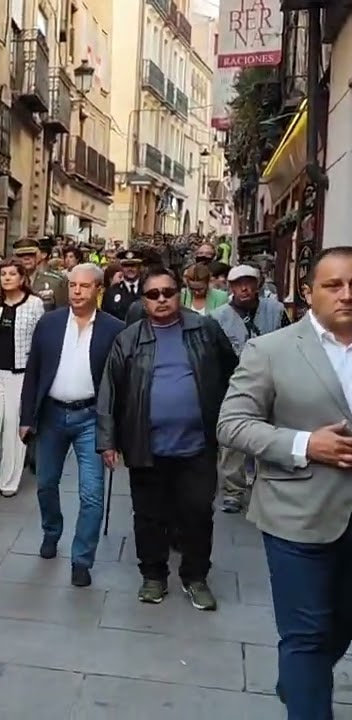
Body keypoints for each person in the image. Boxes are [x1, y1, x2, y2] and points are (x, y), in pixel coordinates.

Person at [216, 247, 352, 720]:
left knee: (339, 629)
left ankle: (296, 677)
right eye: (334, 286)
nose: (347, 295)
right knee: (308, 635)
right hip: (297, 515)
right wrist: (303, 445)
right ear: (308, 293)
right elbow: (231, 424)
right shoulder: (271, 350)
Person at [96, 266, 237, 609]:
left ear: (179, 294)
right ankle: (154, 576)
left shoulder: (205, 329)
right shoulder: (129, 339)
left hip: (197, 445)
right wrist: (107, 441)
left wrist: (233, 420)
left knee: (198, 513)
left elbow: (234, 373)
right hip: (146, 445)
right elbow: (110, 391)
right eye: (153, 294)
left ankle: (196, 577)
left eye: (168, 292)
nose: (161, 300)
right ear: (143, 301)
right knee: (148, 514)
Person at [19, 264, 125, 587]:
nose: (77, 292)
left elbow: (121, 384)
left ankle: (82, 559)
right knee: (46, 484)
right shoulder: (49, 324)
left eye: (85, 286)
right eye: (73, 285)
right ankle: (52, 530)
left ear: (98, 290)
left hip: (91, 418)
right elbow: (33, 371)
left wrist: (113, 436)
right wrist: (26, 418)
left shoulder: (114, 329)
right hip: (51, 416)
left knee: (91, 494)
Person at [210, 264, 290, 514]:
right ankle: (233, 491)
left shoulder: (275, 311)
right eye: (238, 284)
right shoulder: (217, 317)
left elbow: (289, 340)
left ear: (258, 285)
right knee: (232, 441)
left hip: (273, 381)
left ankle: (268, 488)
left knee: (270, 436)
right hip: (234, 383)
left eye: (249, 282)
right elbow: (212, 356)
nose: (244, 288)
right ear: (230, 287)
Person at [0, 259, 42, 500]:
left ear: (22, 278)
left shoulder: (34, 304)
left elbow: (38, 339)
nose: (7, 278)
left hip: (20, 374)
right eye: (3, 274)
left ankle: (9, 480)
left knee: (15, 427)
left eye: (13, 274)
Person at [13, 237, 67, 311]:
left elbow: (63, 312)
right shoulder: (6, 283)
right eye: (21, 255)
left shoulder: (56, 282)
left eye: (31, 254)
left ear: (38, 256)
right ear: (14, 258)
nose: (26, 258)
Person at [101, 250, 144, 320]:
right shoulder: (111, 292)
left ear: (139, 267)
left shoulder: (148, 289)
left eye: (133, 265)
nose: (130, 269)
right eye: (126, 265)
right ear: (121, 267)